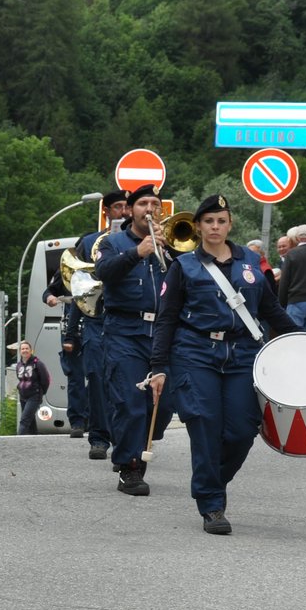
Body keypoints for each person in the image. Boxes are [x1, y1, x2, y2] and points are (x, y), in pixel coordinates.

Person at [148, 195, 300, 534]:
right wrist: (159, 365)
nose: (215, 227)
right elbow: (166, 318)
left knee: (242, 429)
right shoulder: (183, 266)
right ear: (199, 226)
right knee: (204, 422)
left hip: (243, 353)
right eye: (208, 221)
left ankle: (211, 479)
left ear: (230, 225)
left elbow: (271, 310)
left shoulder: (252, 261)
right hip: (194, 352)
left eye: (221, 221)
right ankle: (212, 504)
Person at [92, 184, 176, 496]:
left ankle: (134, 444)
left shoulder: (172, 243)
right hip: (124, 331)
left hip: (163, 334)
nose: (150, 208)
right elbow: (103, 271)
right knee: (130, 402)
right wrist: (135, 253)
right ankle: (130, 468)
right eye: (143, 203)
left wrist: (172, 252)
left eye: (155, 203)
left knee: (164, 405)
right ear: (131, 209)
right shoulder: (112, 242)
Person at [45, 189, 128, 461]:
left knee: (127, 381)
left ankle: (126, 436)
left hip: (129, 321)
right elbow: (71, 283)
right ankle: (99, 438)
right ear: (106, 212)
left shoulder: (145, 242)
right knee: (96, 378)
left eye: (128, 207)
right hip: (96, 320)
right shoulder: (90, 241)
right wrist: (52, 297)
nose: (124, 212)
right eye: (118, 207)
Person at [57, 300, 87, 436]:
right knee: (75, 378)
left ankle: (94, 418)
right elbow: (49, 292)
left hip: (94, 327)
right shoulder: (63, 278)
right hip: (72, 332)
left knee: (98, 376)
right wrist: (49, 297)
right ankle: (77, 422)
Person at [14, 340, 51, 434]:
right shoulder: (19, 365)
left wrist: (41, 393)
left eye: (27, 348)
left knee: (24, 420)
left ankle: (18, 441)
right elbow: (20, 379)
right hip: (23, 396)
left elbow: (46, 379)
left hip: (34, 395)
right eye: (22, 349)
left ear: (31, 350)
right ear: (20, 351)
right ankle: (34, 437)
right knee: (30, 422)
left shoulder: (38, 364)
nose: (24, 350)